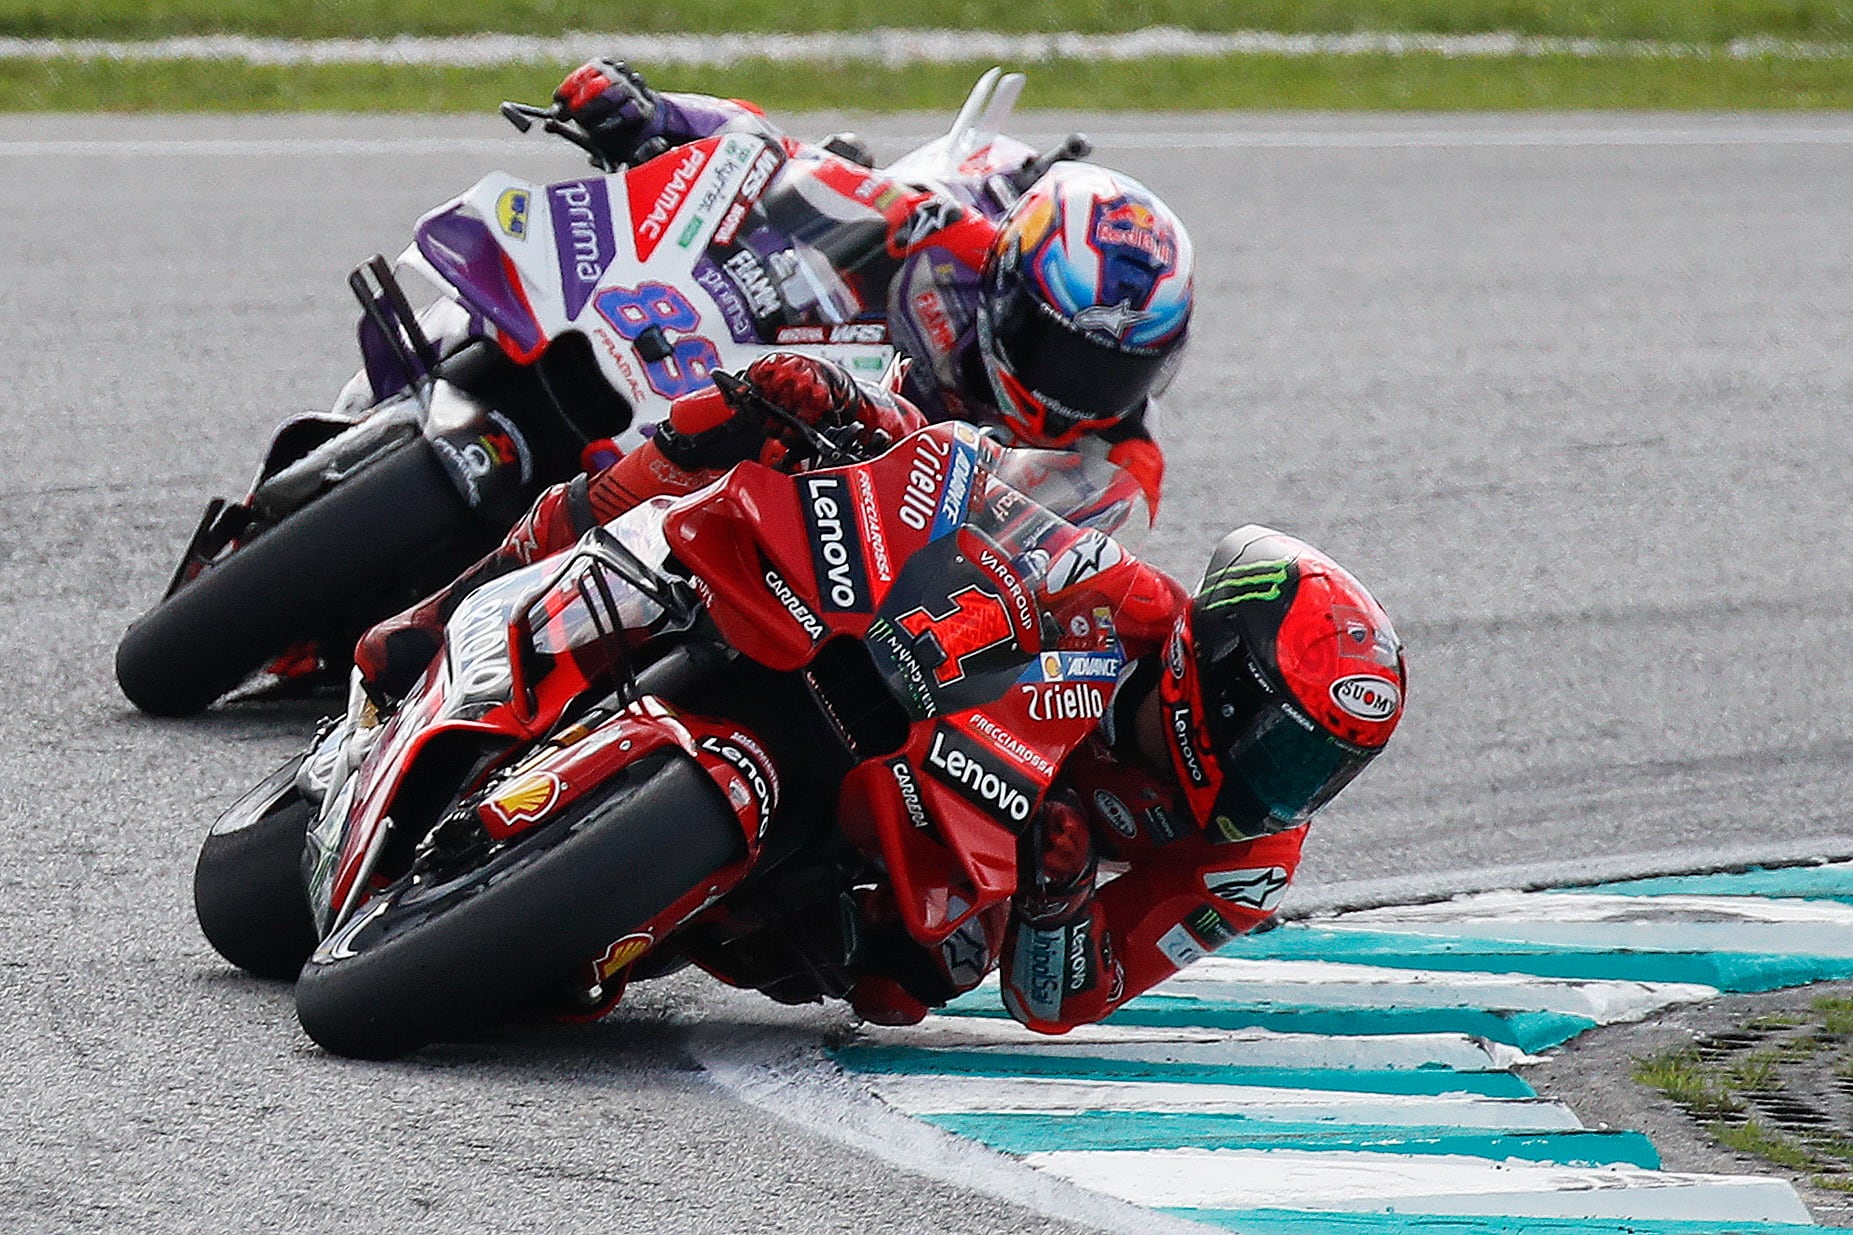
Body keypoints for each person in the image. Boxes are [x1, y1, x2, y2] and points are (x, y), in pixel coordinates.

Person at [354, 354, 1406, 1032]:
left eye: (1321, 769)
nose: (1288, 786)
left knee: (914, 979)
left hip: (942, 847)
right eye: (1283, 745)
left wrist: (1049, 898)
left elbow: (1060, 996)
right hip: (897, 691)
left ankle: (637, 911)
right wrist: (864, 412)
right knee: (748, 419)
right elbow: (971, 493)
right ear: (1213, 670)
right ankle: (454, 601)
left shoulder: (1246, 862)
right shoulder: (1126, 598)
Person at [549, 58, 1193, 513]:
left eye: (1112, 373)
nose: (1073, 395)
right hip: (750, 387)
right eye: (1060, 351)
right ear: (1005, 292)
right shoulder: (948, 242)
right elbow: (784, 157)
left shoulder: (1120, 459)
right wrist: (657, 114)